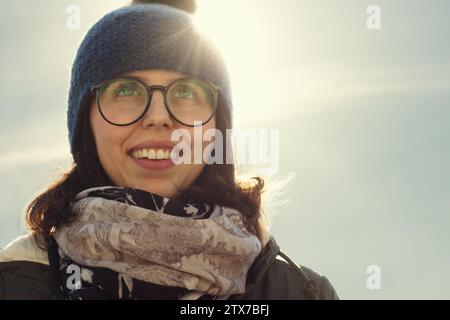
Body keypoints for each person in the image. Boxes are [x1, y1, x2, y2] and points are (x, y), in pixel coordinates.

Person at [0, 0, 339, 300]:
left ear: (216, 128)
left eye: (188, 92)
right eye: (128, 89)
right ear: (86, 125)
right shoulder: (13, 282)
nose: (158, 117)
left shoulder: (301, 292)